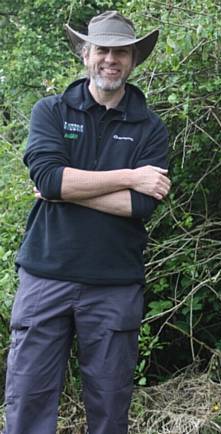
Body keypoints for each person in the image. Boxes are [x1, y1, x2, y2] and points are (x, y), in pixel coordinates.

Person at [3, 11, 170, 434]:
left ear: (133, 59)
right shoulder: (52, 111)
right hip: (46, 278)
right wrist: (131, 176)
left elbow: (140, 207)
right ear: (85, 53)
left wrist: (69, 188)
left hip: (115, 284)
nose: (110, 59)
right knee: (27, 402)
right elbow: (49, 179)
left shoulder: (150, 127)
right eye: (102, 50)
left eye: (121, 52)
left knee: (110, 407)